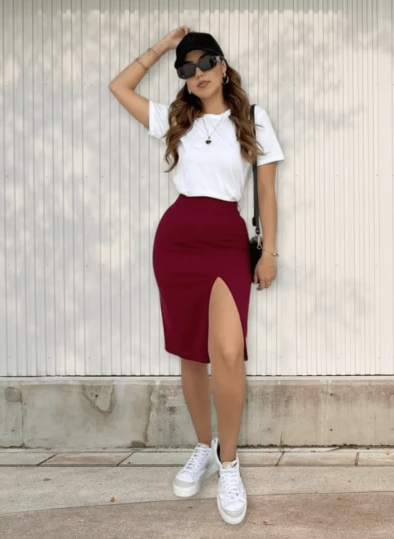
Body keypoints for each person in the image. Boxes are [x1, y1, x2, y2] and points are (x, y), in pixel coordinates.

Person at [109, 27, 284, 526]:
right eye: (186, 68)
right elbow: (119, 87)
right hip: (177, 242)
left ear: (223, 65)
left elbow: (266, 194)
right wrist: (162, 48)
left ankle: (229, 463)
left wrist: (269, 252)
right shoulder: (176, 119)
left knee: (227, 351)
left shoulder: (253, 118)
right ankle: (203, 448)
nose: (198, 73)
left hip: (226, 240)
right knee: (191, 351)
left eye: (205, 62)